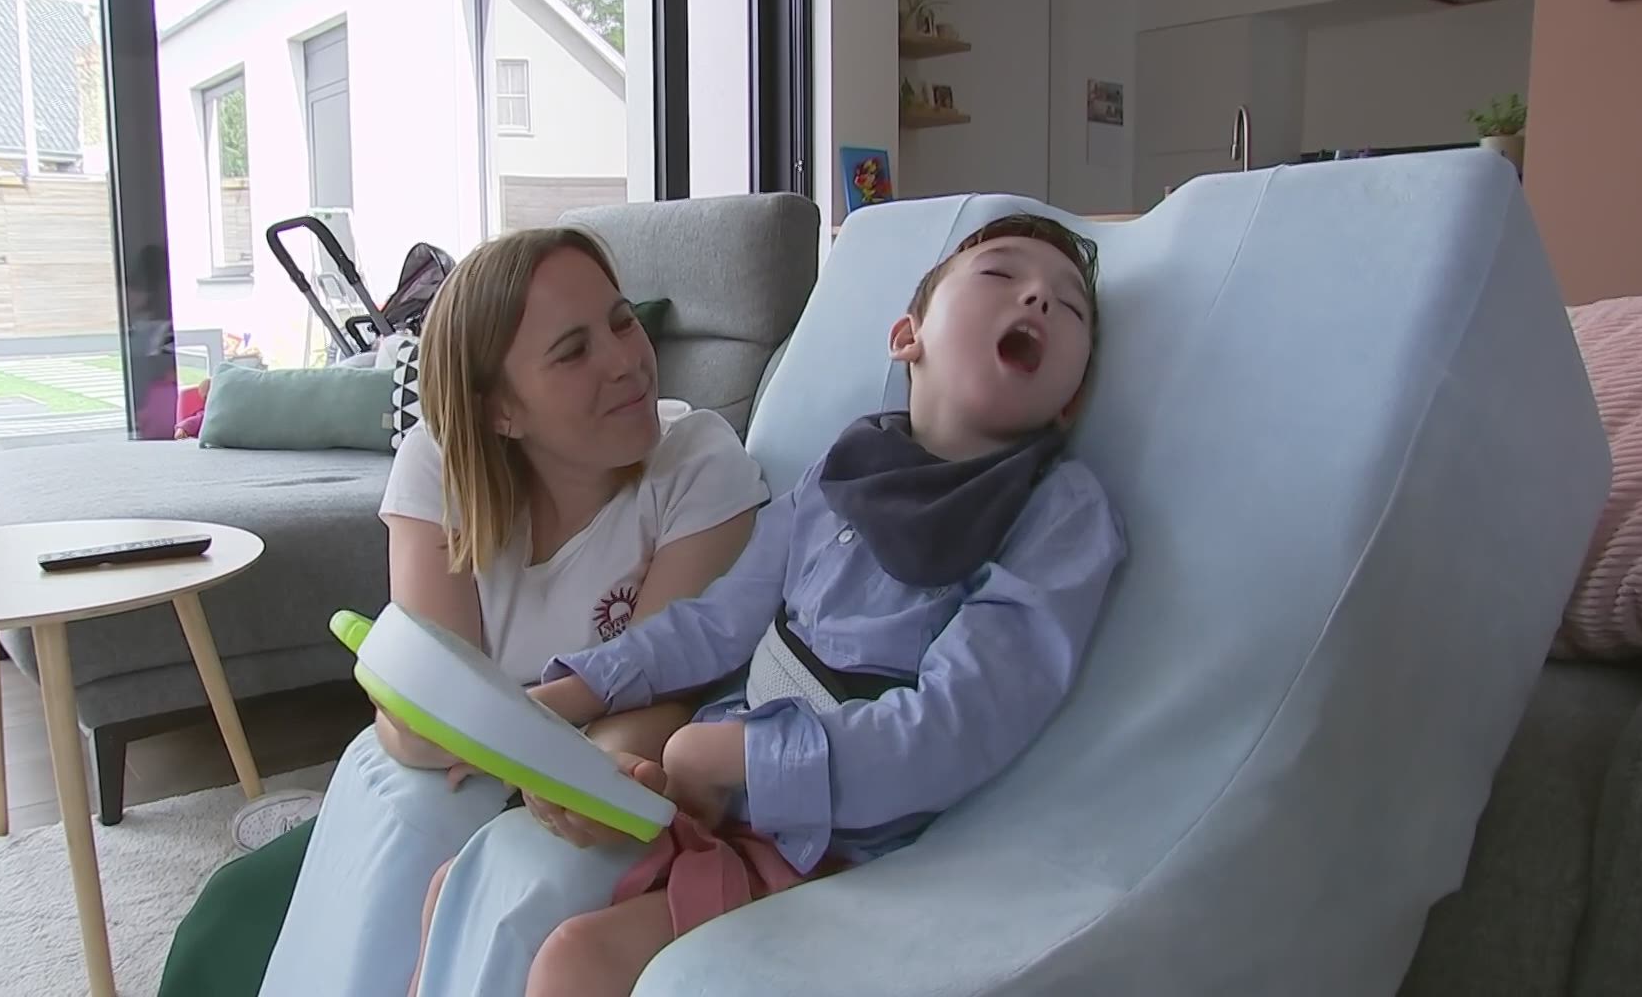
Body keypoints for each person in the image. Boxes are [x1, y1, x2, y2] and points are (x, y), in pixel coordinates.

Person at [408, 213, 1128, 997]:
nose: (1037, 299)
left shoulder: (1057, 515)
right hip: (720, 794)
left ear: (1070, 402)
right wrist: (566, 693)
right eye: (1000, 276)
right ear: (907, 336)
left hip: (836, 840)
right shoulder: (846, 468)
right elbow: (719, 620)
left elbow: (954, 727)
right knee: (460, 887)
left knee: (577, 962)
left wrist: (741, 757)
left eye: (1069, 305)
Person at [157, 225, 769, 996]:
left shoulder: (701, 464)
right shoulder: (440, 459)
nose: (626, 362)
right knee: (228, 919)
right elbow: (419, 708)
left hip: (581, 782)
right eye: (573, 351)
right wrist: (430, 726)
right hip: (443, 782)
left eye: (622, 322)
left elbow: (658, 685)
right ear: (499, 410)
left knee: (480, 895)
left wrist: (578, 778)